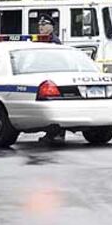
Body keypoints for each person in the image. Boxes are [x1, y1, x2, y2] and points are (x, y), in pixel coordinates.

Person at [37, 14, 66, 144]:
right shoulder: (40, 40)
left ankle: (57, 133)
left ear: (51, 27)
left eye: (44, 25)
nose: (41, 27)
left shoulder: (54, 42)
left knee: (54, 105)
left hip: (54, 76)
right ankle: (51, 132)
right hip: (43, 75)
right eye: (39, 25)